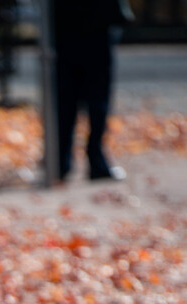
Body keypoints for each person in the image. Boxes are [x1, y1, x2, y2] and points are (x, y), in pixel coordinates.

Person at [53, 0, 134, 181]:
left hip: (67, 30)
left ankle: (63, 162)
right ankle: (92, 160)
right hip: (93, 30)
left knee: (67, 103)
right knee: (95, 102)